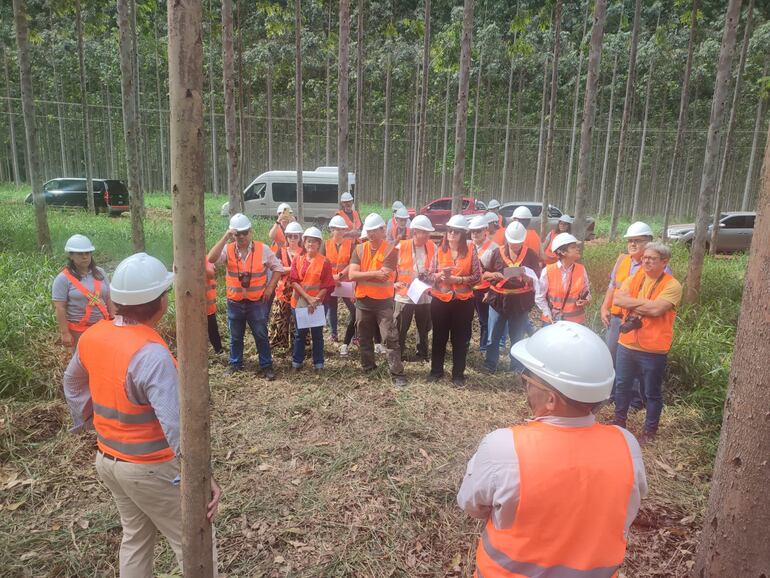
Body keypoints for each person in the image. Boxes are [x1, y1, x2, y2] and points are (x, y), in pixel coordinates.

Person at [64, 252, 221, 577]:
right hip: (150, 469)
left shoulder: (93, 336)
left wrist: (88, 420)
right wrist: (204, 478)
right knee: (192, 541)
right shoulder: (151, 354)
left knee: (135, 538)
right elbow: (177, 426)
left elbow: (72, 381)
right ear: (160, 303)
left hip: (109, 461)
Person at [458, 321, 647, 578]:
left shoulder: (503, 449)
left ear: (551, 399)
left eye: (527, 378)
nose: (525, 385)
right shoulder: (627, 447)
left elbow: (472, 505)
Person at [611, 242, 681, 444]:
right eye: (645, 257)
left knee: (651, 392)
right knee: (622, 386)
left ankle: (649, 432)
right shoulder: (634, 278)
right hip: (627, 344)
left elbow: (657, 310)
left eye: (652, 258)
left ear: (664, 262)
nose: (646, 261)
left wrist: (634, 303)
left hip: (653, 349)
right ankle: (618, 423)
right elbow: (618, 300)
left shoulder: (672, 285)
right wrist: (646, 305)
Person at [208, 213, 283, 379]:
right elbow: (211, 258)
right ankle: (235, 364)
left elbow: (278, 268)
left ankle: (266, 366)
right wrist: (225, 237)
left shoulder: (263, 249)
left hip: (256, 302)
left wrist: (270, 287)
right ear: (232, 234)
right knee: (235, 336)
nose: (241, 236)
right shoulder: (227, 250)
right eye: (237, 233)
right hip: (235, 302)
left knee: (261, 335)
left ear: (251, 232)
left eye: (244, 232)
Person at [600, 221, 666, 409]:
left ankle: (635, 400)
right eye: (630, 241)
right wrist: (605, 307)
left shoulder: (656, 266)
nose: (632, 244)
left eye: (637, 241)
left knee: (635, 359)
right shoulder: (622, 260)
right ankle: (612, 394)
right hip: (616, 318)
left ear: (649, 242)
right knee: (611, 355)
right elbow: (613, 285)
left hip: (638, 321)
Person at [348, 213, 407, 387]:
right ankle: (368, 368)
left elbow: (385, 276)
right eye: (369, 230)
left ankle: (397, 373)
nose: (371, 234)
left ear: (383, 230)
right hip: (363, 302)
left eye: (375, 230)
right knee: (364, 336)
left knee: (390, 338)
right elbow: (352, 275)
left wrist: (362, 276)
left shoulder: (390, 250)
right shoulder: (359, 249)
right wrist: (373, 274)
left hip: (383, 303)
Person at [424, 214, 481, 387]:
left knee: (460, 339)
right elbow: (429, 274)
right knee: (439, 337)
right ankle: (436, 371)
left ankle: (458, 375)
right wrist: (440, 275)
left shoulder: (471, 249)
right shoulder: (440, 249)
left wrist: (459, 281)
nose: (452, 235)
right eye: (449, 231)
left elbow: (477, 276)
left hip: (463, 302)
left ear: (463, 234)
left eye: (456, 232)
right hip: (440, 301)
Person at [482, 222, 541, 373]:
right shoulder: (496, 253)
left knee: (517, 336)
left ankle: (516, 366)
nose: (515, 245)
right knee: (493, 335)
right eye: (512, 242)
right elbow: (485, 273)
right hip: (498, 300)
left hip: (520, 302)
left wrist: (529, 279)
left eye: (518, 242)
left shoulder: (531, 255)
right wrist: (492, 275)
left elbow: (538, 278)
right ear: (507, 239)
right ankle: (490, 364)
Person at [52, 234, 112, 352]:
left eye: (87, 253)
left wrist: (115, 319)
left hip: (104, 327)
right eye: (80, 254)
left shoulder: (100, 273)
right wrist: (65, 333)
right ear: (71, 256)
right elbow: (60, 308)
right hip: (79, 331)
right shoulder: (62, 279)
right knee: (83, 363)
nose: (85, 257)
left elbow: (109, 298)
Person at [289, 227, 335, 371]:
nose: (311, 244)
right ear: (304, 242)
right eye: (309, 241)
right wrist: (308, 298)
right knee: (300, 333)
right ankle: (297, 362)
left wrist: (315, 300)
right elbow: (294, 280)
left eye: (314, 242)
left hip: (318, 303)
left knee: (317, 334)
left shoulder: (325, 262)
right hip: (300, 301)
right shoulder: (297, 258)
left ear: (319, 244)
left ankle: (318, 363)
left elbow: (327, 285)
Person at [394, 215, 436, 362]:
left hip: (424, 295)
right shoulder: (401, 246)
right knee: (400, 327)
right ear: (414, 232)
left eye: (427, 232)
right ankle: (399, 354)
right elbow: (390, 269)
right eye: (423, 232)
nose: (426, 235)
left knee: (424, 326)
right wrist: (393, 284)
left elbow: (436, 268)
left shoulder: (432, 247)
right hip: (404, 295)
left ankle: (422, 353)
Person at [535, 233, 591, 324]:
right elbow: (539, 297)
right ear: (562, 252)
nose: (578, 249)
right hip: (552, 321)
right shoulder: (548, 271)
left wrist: (585, 299)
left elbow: (587, 291)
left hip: (576, 323)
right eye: (573, 247)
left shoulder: (581, 269)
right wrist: (548, 314)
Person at [269, 221, 304, 350]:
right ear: (286, 237)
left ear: (300, 237)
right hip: (283, 292)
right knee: (280, 320)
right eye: (290, 236)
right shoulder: (281, 251)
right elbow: (277, 269)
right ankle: (278, 347)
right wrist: (293, 268)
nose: (293, 239)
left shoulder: (304, 252)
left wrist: (288, 269)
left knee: (299, 321)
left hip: (299, 291)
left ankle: (299, 347)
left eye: (296, 236)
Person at [324, 215, 356, 349]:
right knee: (332, 308)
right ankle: (333, 334)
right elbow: (322, 264)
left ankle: (355, 335)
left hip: (346, 282)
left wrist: (340, 275)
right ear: (331, 230)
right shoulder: (325, 244)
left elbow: (353, 263)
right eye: (336, 229)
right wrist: (332, 278)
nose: (339, 232)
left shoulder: (351, 244)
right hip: (332, 282)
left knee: (354, 310)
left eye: (341, 229)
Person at [468, 215, 498, 353]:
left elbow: (497, 273)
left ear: (485, 230)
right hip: (468, 289)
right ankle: (465, 345)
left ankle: (484, 347)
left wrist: (490, 290)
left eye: (478, 231)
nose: (474, 234)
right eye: (472, 231)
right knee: (466, 320)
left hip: (484, 290)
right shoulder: (468, 246)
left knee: (484, 321)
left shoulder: (493, 248)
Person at [205, 257, 224, 355]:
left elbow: (210, 274)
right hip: (191, 308)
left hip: (207, 308)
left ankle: (219, 350)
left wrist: (196, 263)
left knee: (212, 330)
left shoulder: (206, 260)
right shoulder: (181, 260)